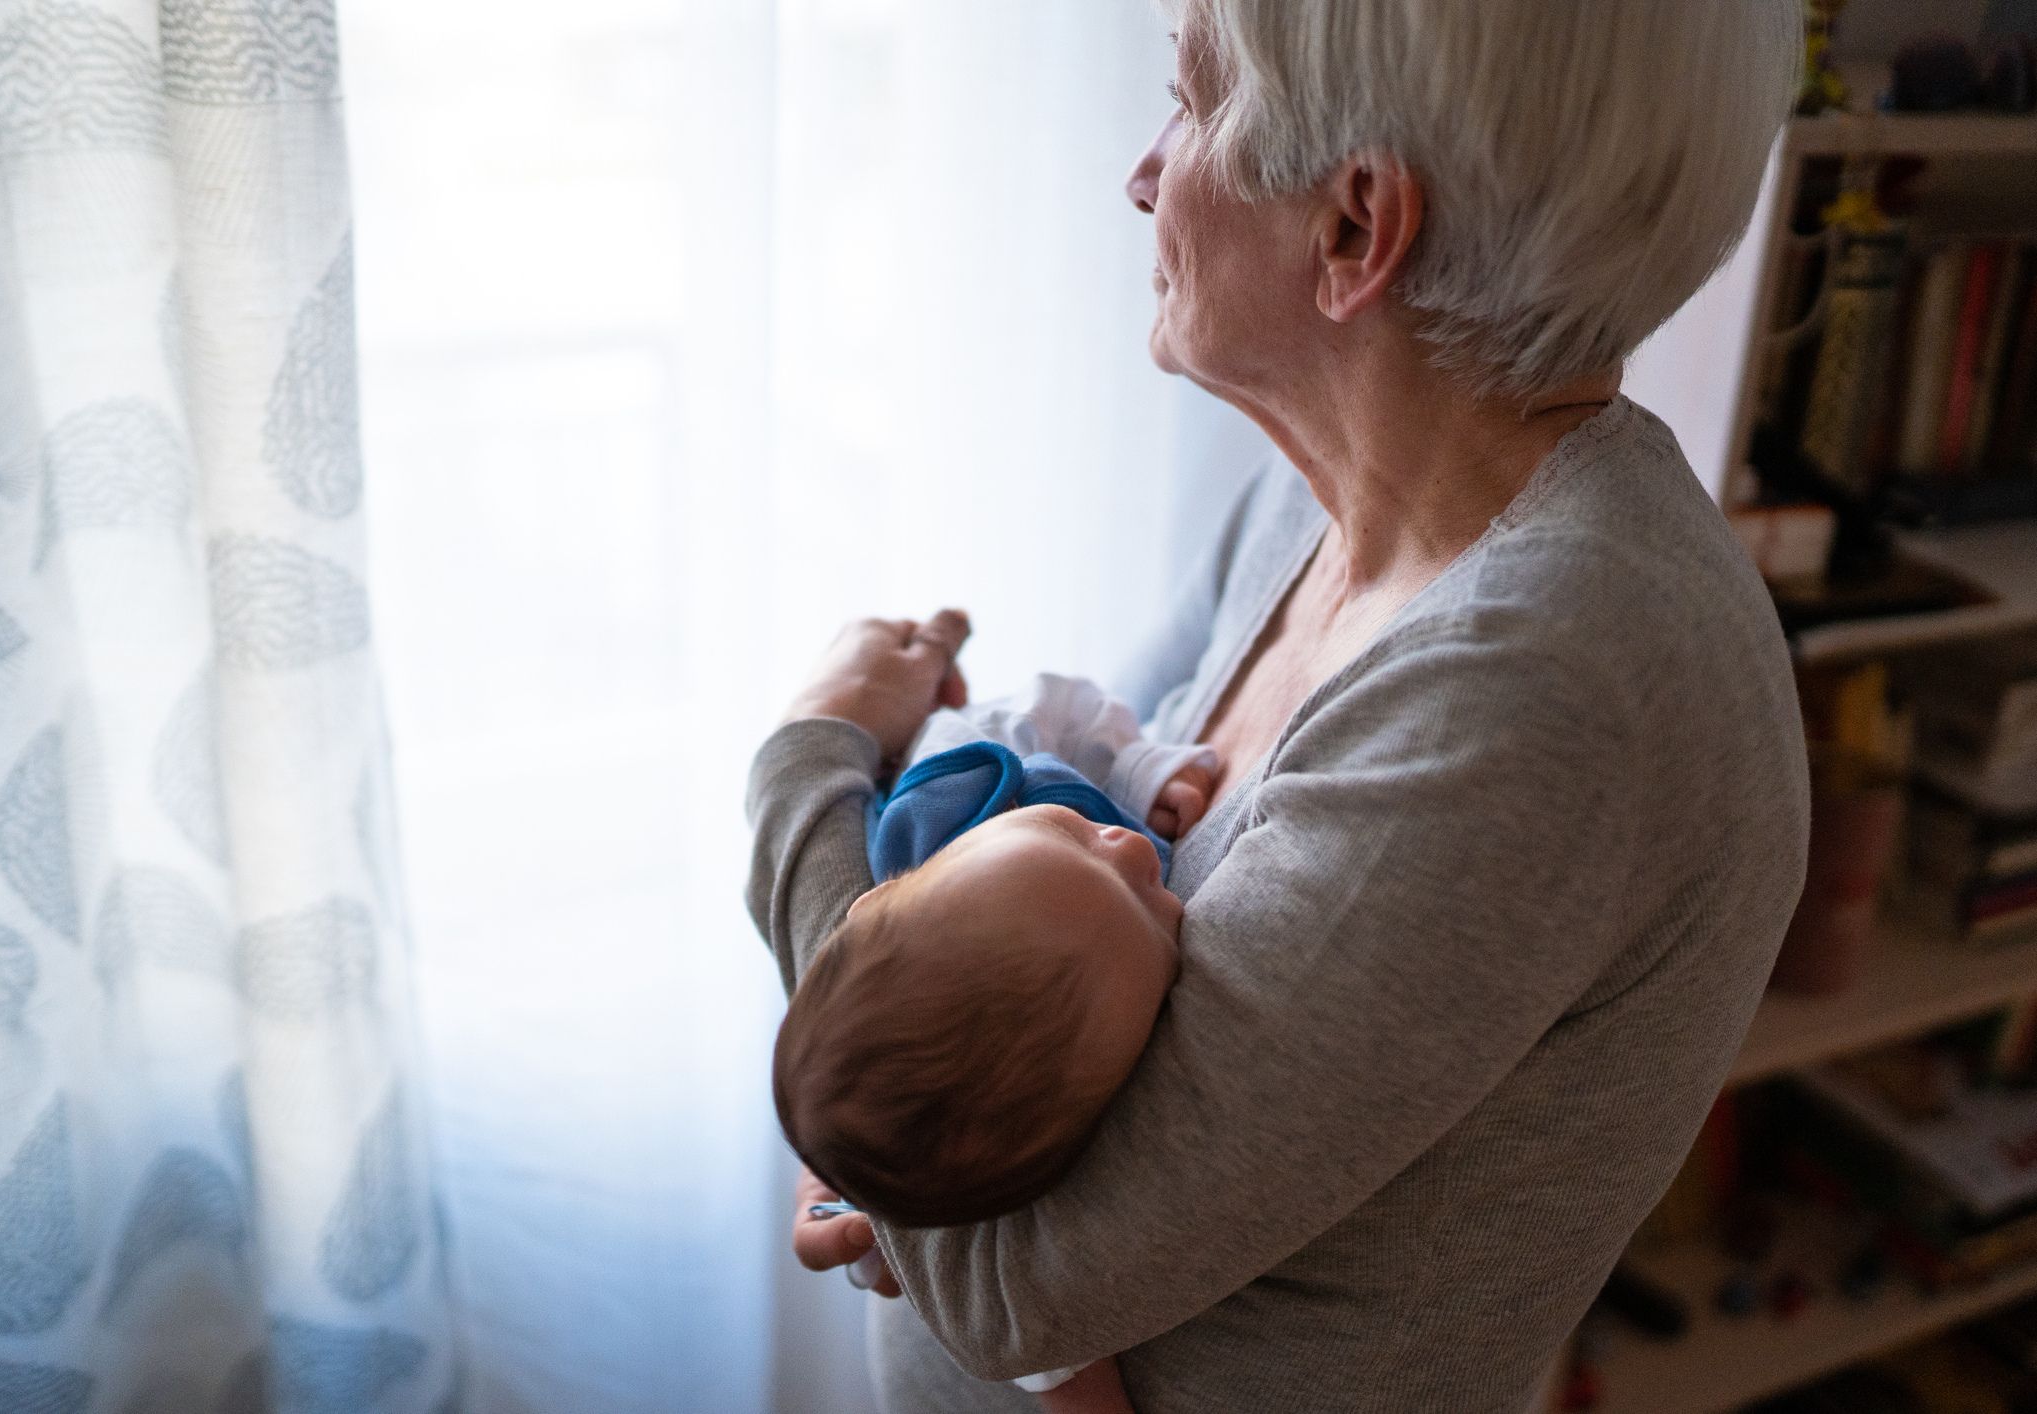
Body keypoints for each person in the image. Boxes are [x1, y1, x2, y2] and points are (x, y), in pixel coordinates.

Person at [746, 1, 1810, 1408]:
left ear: (1356, 228)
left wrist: (807, 772)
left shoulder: (1546, 683)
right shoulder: (1311, 504)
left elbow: (1014, 1286)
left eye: (1189, 103)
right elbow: (991, 983)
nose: (1140, 171)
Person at [776, 665, 1216, 1413]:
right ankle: (853, 1206)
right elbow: (1041, 1336)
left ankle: (852, 1209)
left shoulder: (954, 794)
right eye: (1152, 912)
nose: (1136, 853)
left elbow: (1055, 707)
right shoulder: (1052, 1053)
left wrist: (1143, 765)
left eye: (1074, 833)